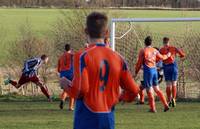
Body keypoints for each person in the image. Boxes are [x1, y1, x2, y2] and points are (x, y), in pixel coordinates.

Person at [61, 12, 139, 129]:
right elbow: (133, 90)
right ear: (107, 33)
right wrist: (122, 97)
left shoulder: (81, 56)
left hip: (87, 119)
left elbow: (80, 90)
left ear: (86, 31)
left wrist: (66, 85)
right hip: (108, 119)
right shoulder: (118, 58)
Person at [135, 36, 170, 113]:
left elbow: (139, 64)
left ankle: (153, 108)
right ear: (151, 43)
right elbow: (162, 57)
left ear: (145, 42)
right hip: (154, 71)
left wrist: (136, 72)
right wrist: (168, 55)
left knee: (149, 89)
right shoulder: (154, 50)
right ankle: (166, 105)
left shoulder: (143, 51)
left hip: (148, 71)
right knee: (157, 89)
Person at [160, 37, 185, 107]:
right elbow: (182, 55)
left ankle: (168, 100)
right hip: (173, 66)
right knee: (174, 83)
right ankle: (173, 99)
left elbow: (158, 57)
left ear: (163, 42)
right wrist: (179, 56)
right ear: (168, 42)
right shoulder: (173, 48)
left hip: (166, 67)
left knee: (168, 84)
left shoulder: (161, 50)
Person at [57, 44, 75, 110]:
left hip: (63, 74)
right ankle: (70, 107)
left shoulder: (60, 57)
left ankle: (62, 99)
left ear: (65, 49)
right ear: (70, 49)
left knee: (66, 90)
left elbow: (58, 69)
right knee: (72, 90)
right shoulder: (72, 55)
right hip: (70, 74)